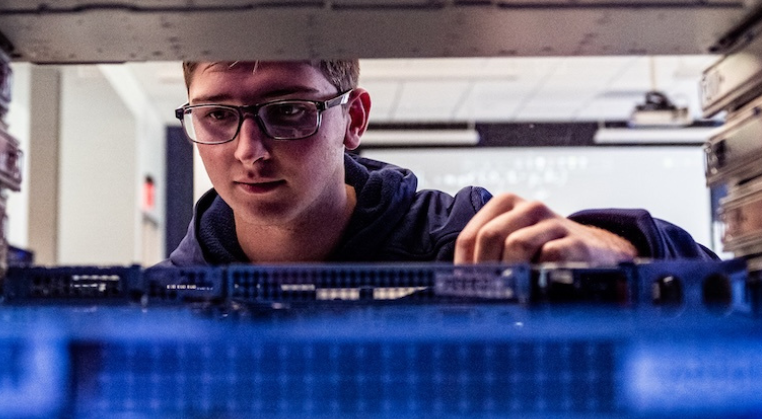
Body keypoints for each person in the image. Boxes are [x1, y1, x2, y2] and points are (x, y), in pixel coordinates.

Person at [157, 60, 715, 267]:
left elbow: (734, 292)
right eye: (217, 114)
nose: (249, 149)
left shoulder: (469, 241)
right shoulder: (159, 303)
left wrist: (619, 254)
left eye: (290, 111)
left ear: (353, 120)